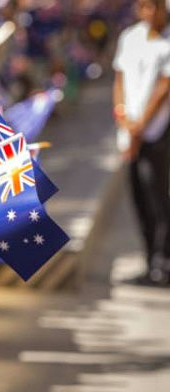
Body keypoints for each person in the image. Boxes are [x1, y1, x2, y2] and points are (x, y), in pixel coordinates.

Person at [113, 0, 170, 286]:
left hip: (158, 133)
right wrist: (123, 115)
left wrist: (140, 126)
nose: (151, 14)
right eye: (146, 7)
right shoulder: (130, 37)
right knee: (138, 198)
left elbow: (163, 87)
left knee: (158, 197)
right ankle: (150, 261)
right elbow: (120, 79)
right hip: (131, 131)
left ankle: (163, 263)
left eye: (156, 7)